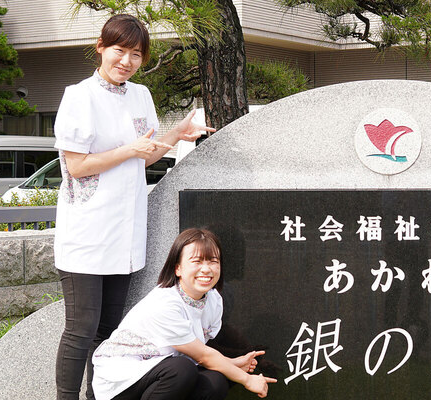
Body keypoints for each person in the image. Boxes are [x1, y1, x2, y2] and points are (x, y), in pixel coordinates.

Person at [53, 14, 217, 400]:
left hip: (125, 234)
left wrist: (175, 135)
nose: (126, 61)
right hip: (87, 234)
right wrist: (129, 149)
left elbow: (143, 157)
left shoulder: (141, 95)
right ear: (101, 47)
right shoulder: (79, 96)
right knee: (81, 329)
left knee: (109, 330)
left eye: (136, 54)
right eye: (119, 50)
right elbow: (77, 166)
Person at [91, 228, 277, 400]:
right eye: (197, 261)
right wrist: (247, 380)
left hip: (163, 371)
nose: (206, 269)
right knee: (181, 370)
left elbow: (201, 351)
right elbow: (203, 356)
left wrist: (234, 363)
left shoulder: (213, 300)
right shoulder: (165, 303)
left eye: (213, 261)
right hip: (123, 378)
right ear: (177, 268)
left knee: (215, 382)